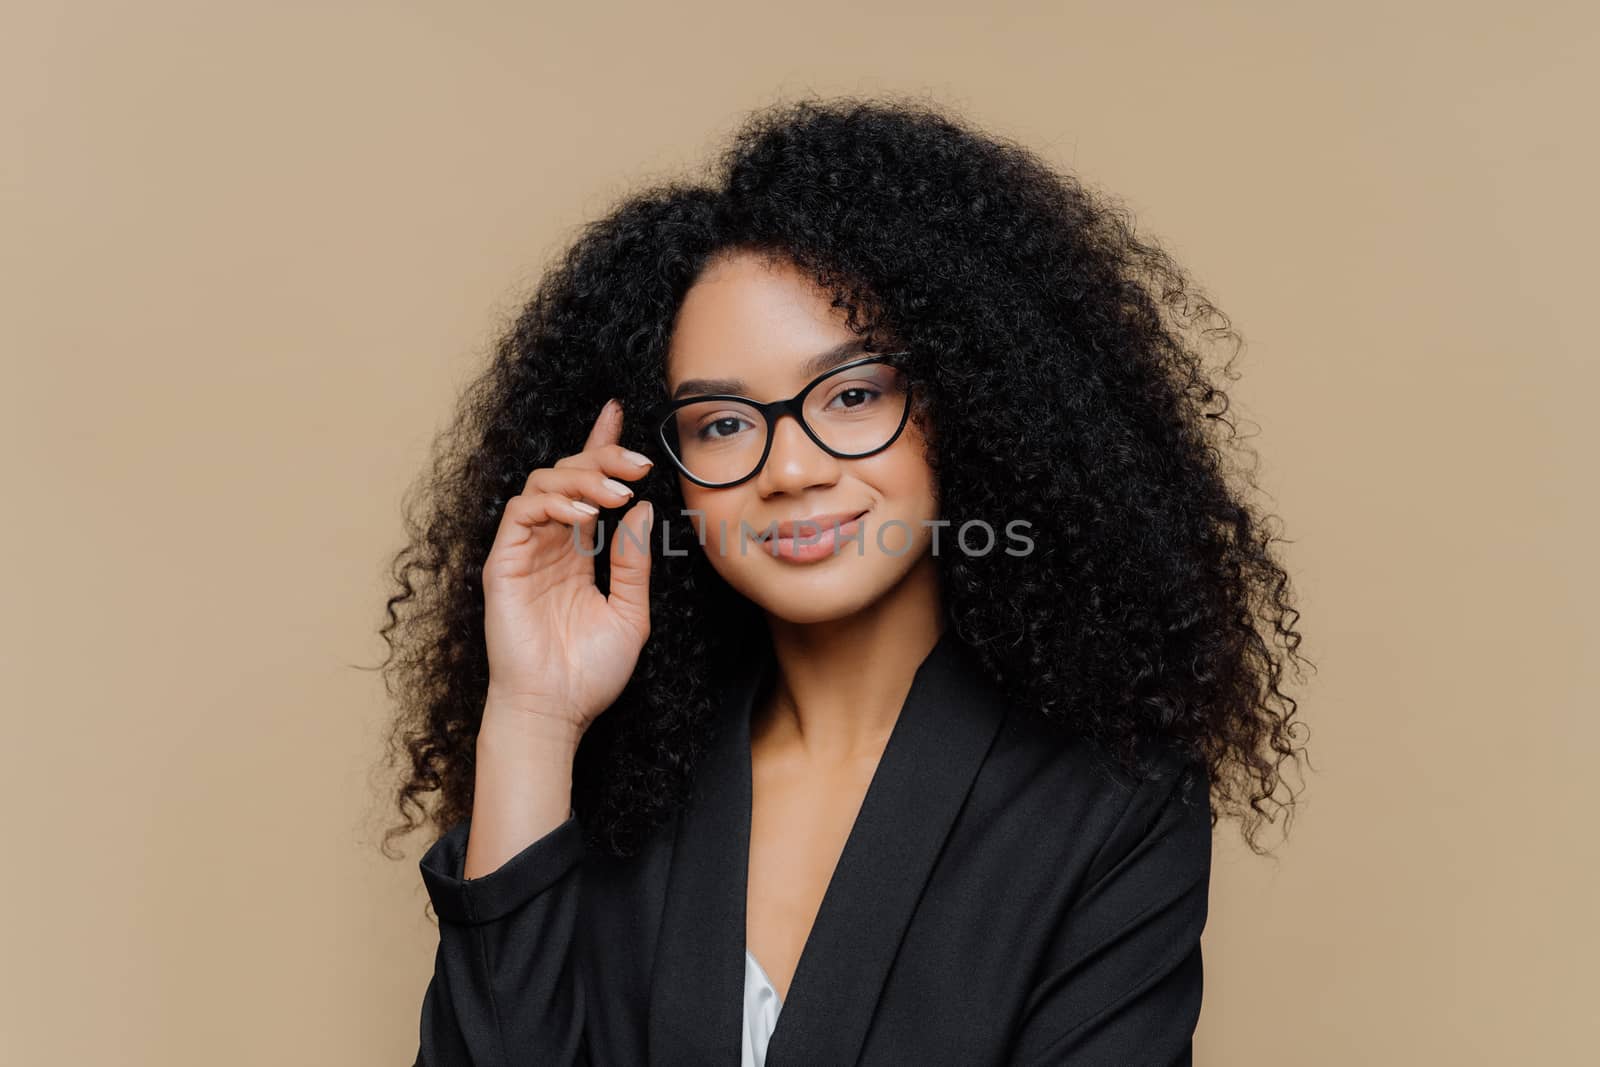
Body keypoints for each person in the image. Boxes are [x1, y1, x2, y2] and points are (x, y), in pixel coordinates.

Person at [377, 95, 1311, 1066]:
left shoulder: (1110, 802)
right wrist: (531, 716)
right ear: (670, 473)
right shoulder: (617, 786)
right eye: (723, 423)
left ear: (965, 396)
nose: (790, 469)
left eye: (853, 394)